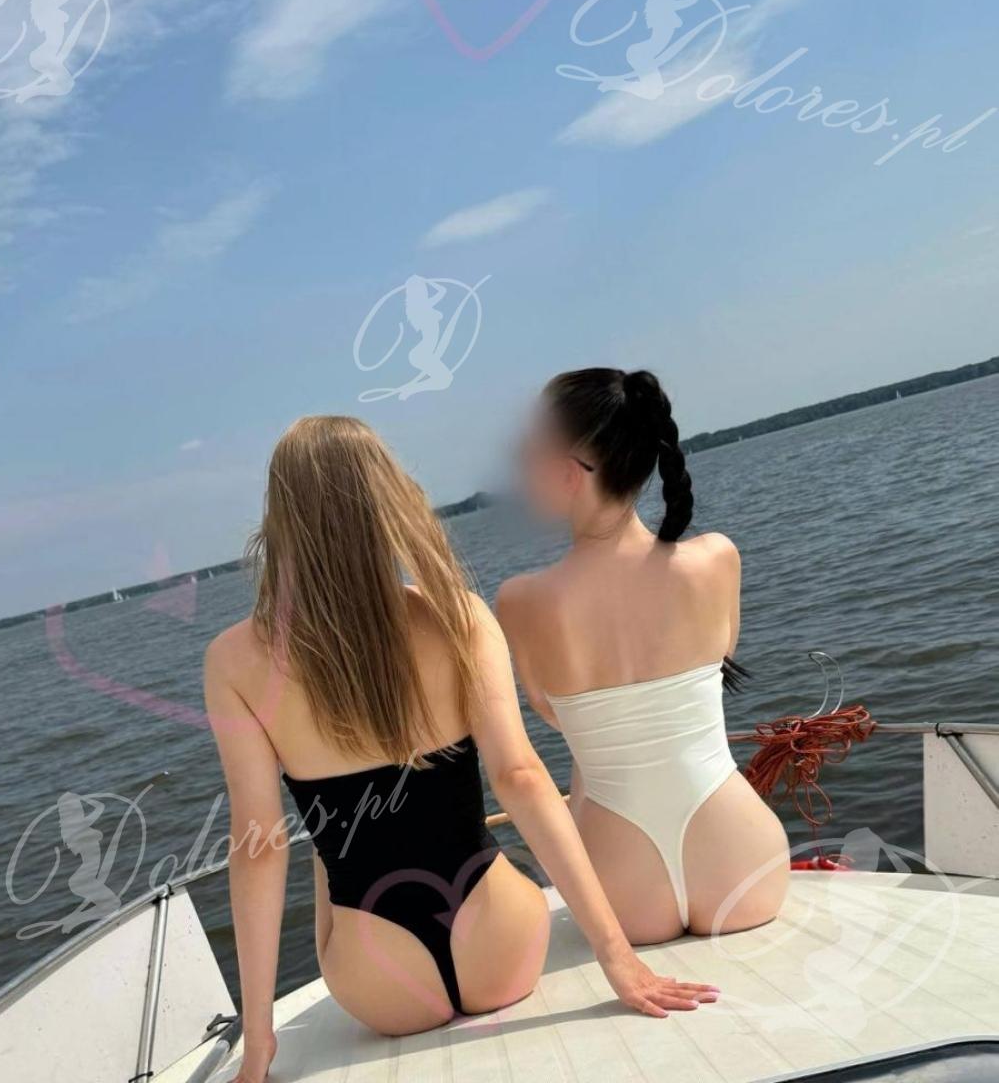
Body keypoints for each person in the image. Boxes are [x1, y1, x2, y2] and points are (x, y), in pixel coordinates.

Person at [205, 416, 718, 1083]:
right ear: (390, 499)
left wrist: (257, 1044)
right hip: (500, 948)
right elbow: (520, 777)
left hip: (380, 981)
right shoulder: (458, 615)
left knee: (322, 856)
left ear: (280, 519)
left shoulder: (234, 660)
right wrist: (616, 957)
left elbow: (257, 846)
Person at [498, 368, 789, 948]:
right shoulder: (716, 558)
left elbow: (556, 716)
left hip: (618, 879)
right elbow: (714, 667)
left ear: (569, 470)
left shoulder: (522, 602)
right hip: (743, 858)